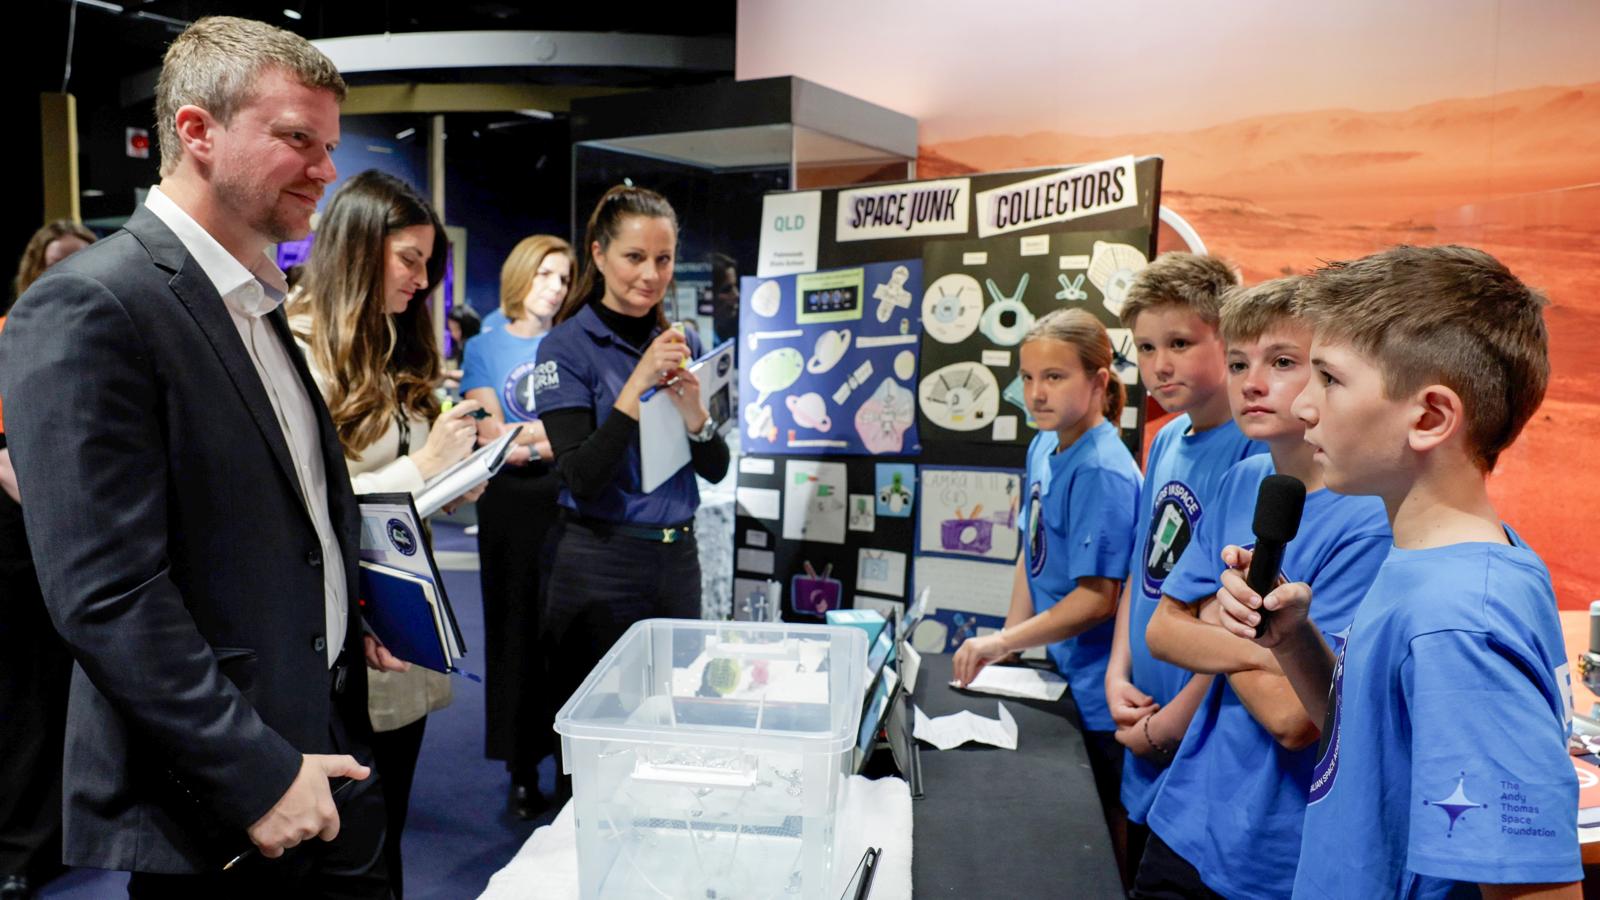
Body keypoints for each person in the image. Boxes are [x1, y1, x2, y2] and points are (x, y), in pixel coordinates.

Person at [0, 17, 394, 897]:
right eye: (299, 139)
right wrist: (256, 773)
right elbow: (106, 593)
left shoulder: (254, 299)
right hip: (223, 793)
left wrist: (346, 609)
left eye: (328, 145)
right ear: (195, 132)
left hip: (328, 731)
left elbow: (266, 515)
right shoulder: (90, 306)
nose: (326, 171)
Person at [1218, 246, 1581, 898]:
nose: (1303, 408)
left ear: (1430, 417)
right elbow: (1371, 746)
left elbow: (1533, 889)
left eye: (1328, 379)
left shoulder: (1459, 618)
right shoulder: (1434, 564)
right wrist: (1296, 642)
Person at [1138, 278, 1391, 899]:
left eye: (1282, 363)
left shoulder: (1371, 517)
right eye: (1238, 363)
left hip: (1275, 850)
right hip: (1186, 818)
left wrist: (1210, 619)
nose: (1252, 383)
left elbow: (1294, 717)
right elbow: (1162, 631)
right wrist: (1268, 648)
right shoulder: (1243, 478)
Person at [287, 169, 486, 898]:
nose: (422, 277)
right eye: (409, 259)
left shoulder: (393, 341)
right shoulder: (296, 346)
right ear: (357, 249)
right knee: (341, 843)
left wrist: (454, 472)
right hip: (331, 629)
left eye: (428, 262)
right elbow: (301, 509)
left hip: (399, 613)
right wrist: (422, 468)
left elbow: (408, 483)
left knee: (385, 825)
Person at [533, 185, 731, 788]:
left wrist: (697, 416)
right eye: (634, 258)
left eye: (664, 259)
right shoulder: (565, 346)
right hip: (601, 557)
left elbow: (715, 468)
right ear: (598, 255)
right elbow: (582, 475)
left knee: (669, 723)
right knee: (600, 740)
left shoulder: (683, 343)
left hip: (677, 557)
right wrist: (637, 386)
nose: (651, 275)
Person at [949, 307, 1140, 865]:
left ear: (1099, 381)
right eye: (1028, 377)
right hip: (1058, 673)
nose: (1036, 393)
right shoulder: (1045, 443)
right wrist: (1010, 643)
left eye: (1054, 377)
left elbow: (1098, 599)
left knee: (1103, 833)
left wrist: (1002, 644)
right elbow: (1032, 549)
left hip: (1101, 694)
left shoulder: (1101, 469)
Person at [1101, 251, 1263, 885]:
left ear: (1229, 339)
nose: (1158, 364)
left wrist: (1172, 723)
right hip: (1143, 708)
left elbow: (1242, 627)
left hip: (1194, 729)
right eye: (1144, 347)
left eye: (1179, 342)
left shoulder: (1256, 448)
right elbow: (1144, 572)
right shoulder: (1166, 438)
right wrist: (1118, 672)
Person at [458, 233, 572, 816]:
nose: (555, 287)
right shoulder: (485, 347)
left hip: (566, 502)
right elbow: (487, 432)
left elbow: (579, 431)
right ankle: (520, 766)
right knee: (511, 632)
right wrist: (542, 439)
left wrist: (525, 440)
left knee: (565, 632)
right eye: (546, 274)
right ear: (522, 274)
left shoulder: (572, 343)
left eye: (563, 277)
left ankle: (569, 762)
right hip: (506, 506)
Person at [0, 221, 95, 900]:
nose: (68, 272)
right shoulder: (9, 335)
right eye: (57, 261)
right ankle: (19, 849)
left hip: (88, 545)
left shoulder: (101, 336)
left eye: (81, 262)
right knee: (25, 703)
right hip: (18, 546)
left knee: (72, 696)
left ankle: (61, 834)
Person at [8, 220, 95, 306]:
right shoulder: (10, 320)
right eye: (57, 266)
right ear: (34, 272)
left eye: (82, 264)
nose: (72, 275)